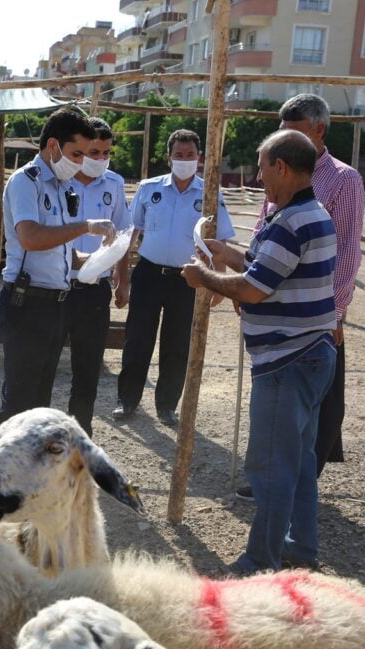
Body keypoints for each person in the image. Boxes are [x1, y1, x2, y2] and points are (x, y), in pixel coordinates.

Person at [182, 129, 337, 574]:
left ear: (282, 168)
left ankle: (260, 558)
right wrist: (229, 255)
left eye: (263, 165)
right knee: (299, 461)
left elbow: (254, 289)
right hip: (312, 352)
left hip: (287, 361)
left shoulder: (290, 220)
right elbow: (268, 267)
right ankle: (300, 546)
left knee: (270, 466)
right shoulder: (308, 213)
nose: (258, 175)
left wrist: (204, 277)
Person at [236, 94, 364, 501]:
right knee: (274, 400)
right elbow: (263, 232)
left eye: (293, 133)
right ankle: (271, 480)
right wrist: (248, 280)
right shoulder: (280, 169)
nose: (284, 142)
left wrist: (336, 312)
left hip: (316, 314)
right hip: (276, 307)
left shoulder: (343, 180)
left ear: (318, 130)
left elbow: (345, 253)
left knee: (318, 409)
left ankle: (295, 485)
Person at [0, 106, 117, 438]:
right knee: (19, 400)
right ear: (52, 146)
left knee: (39, 403)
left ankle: (27, 475)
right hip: (27, 302)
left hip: (56, 303)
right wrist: (84, 226)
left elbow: (59, 251)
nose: (80, 161)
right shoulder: (25, 182)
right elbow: (31, 237)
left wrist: (94, 262)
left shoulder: (62, 187)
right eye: (75, 152)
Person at [112, 129, 234, 427]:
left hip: (187, 278)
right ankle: (127, 400)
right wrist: (122, 278)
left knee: (177, 345)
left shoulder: (210, 194)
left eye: (190, 155)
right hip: (149, 273)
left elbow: (221, 241)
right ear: (169, 158)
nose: (184, 160)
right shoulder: (149, 188)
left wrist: (220, 281)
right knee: (137, 339)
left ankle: (166, 405)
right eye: (178, 155)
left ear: (199, 158)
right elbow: (131, 234)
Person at [63, 118, 133, 437]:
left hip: (94, 290)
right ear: (80, 148)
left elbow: (123, 235)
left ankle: (80, 435)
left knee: (87, 368)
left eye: (106, 152)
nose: (100, 158)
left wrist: (123, 278)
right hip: (56, 285)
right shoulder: (59, 181)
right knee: (44, 363)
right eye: (94, 151)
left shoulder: (114, 184)